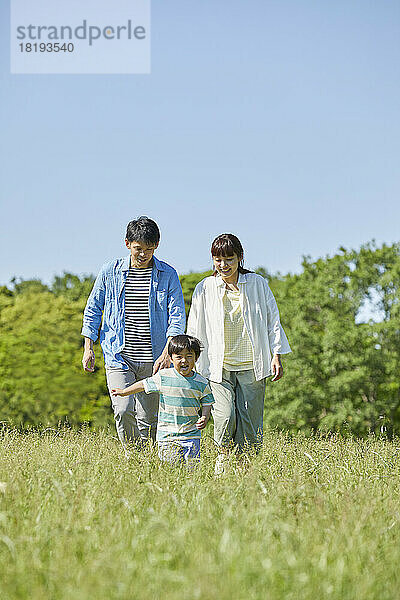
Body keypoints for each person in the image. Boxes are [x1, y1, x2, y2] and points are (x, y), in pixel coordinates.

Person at [187, 233, 291, 466]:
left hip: (252, 366)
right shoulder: (205, 288)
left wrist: (276, 354)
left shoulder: (257, 284)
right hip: (218, 368)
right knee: (224, 418)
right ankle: (223, 466)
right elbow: (194, 326)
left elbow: (272, 320)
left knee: (251, 426)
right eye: (218, 259)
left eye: (229, 259)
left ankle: (247, 473)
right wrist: (191, 361)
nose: (223, 265)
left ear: (240, 258)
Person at [81, 216, 186, 449]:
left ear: (156, 246)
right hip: (119, 356)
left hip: (155, 358)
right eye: (139, 249)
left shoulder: (168, 274)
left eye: (149, 249)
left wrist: (169, 351)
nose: (143, 254)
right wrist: (88, 348)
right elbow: (93, 309)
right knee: (122, 408)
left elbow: (177, 314)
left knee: (149, 418)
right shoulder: (110, 272)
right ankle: (134, 456)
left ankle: (147, 460)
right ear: (127, 243)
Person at [111, 335, 214, 465]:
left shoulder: (201, 382)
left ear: (196, 358)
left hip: (192, 435)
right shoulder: (164, 376)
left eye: (189, 356)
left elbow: (207, 401)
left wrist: (204, 417)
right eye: (179, 357)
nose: (184, 361)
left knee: (192, 470)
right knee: (171, 467)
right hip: (167, 435)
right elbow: (143, 384)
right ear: (171, 358)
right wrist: (124, 391)